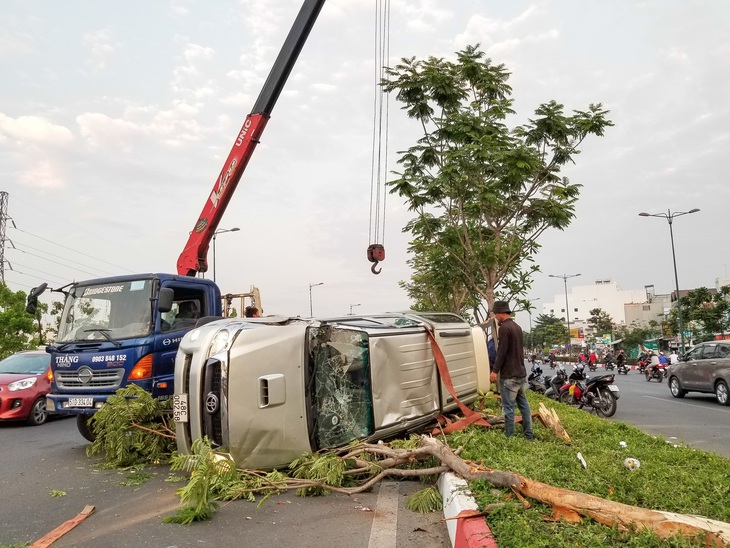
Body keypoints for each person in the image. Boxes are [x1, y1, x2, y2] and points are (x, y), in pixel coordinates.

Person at [489, 301, 533, 440]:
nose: (495, 317)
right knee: (524, 406)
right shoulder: (517, 327)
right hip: (520, 373)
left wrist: (494, 371)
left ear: (502, 313)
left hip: (509, 375)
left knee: (508, 408)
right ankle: (528, 435)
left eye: (496, 314)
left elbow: (502, 352)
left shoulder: (504, 328)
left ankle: (509, 437)